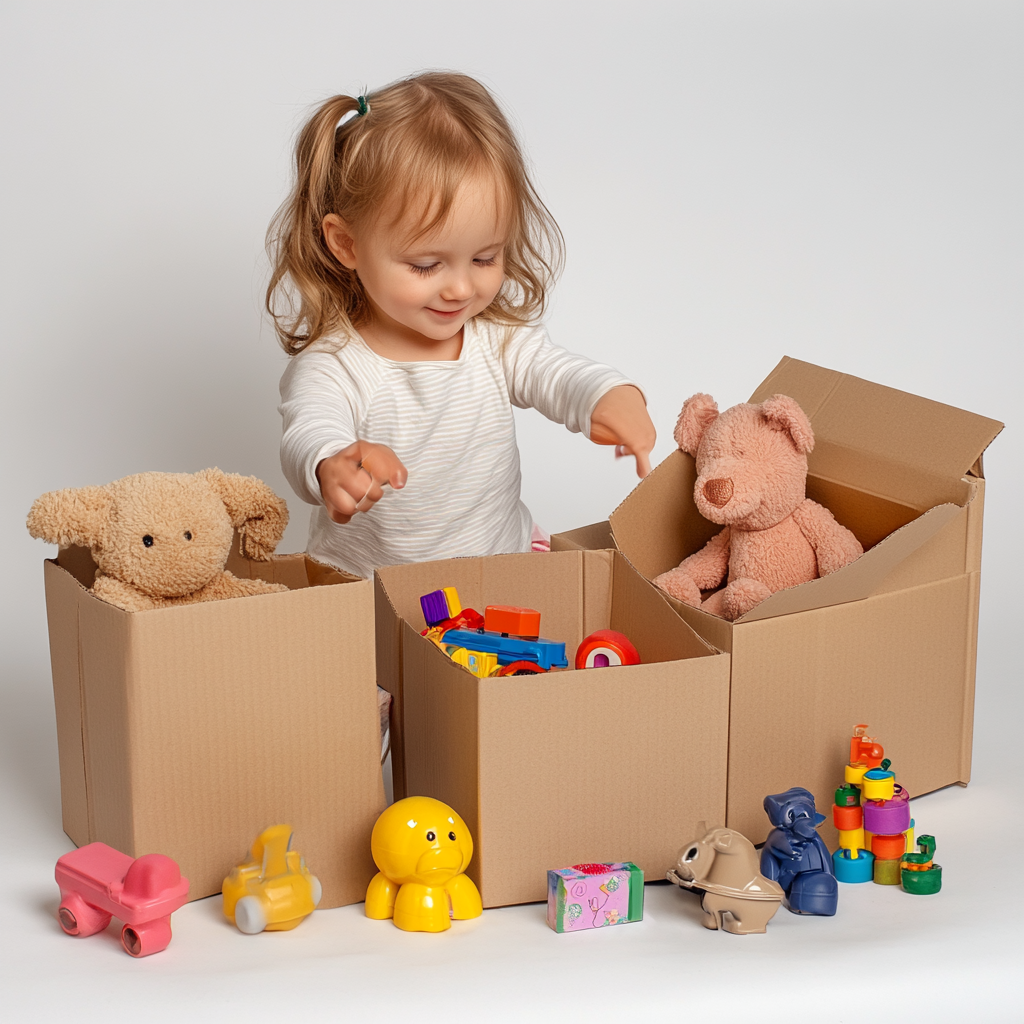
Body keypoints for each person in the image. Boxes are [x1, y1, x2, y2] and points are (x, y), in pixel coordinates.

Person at [270, 72, 656, 578]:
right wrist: (334, 465)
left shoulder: (495, 341)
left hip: (497, 572)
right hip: (370, 592)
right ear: (347, 245)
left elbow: (554, 372)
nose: (459, 289)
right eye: (426, 266)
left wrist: (606, 394)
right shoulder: (335, 365)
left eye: (484, 258)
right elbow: (311, 427)